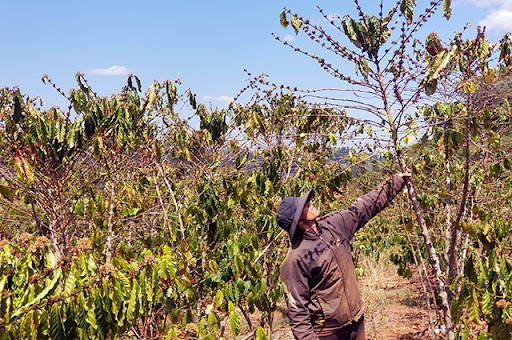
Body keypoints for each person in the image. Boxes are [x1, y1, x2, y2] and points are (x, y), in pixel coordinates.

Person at [276, 172, 411, 340]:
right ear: (297, 220)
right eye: (304, 205)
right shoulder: (296, 259)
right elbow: (298, 314)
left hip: (356, 321)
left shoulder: (334, 225)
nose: (310, 203)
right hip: (328, 332)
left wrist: (396, 181)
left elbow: (365, 206)